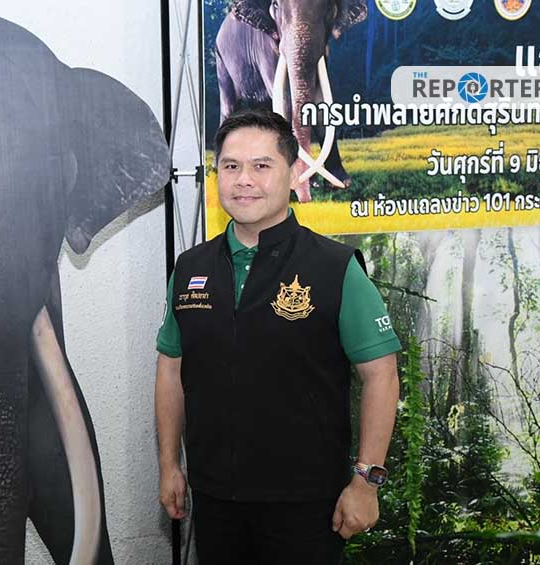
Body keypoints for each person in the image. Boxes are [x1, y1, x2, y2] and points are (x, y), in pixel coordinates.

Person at [155, 108, 400, 564]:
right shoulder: (190, 269)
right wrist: (170, 464)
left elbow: (381, 375)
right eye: (231, 166)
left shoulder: (335, 268)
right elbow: (171, 369)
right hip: (215, 500)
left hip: (307, 505)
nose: (244, 180)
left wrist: (366, 483)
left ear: (293, 173)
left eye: (261, 166)